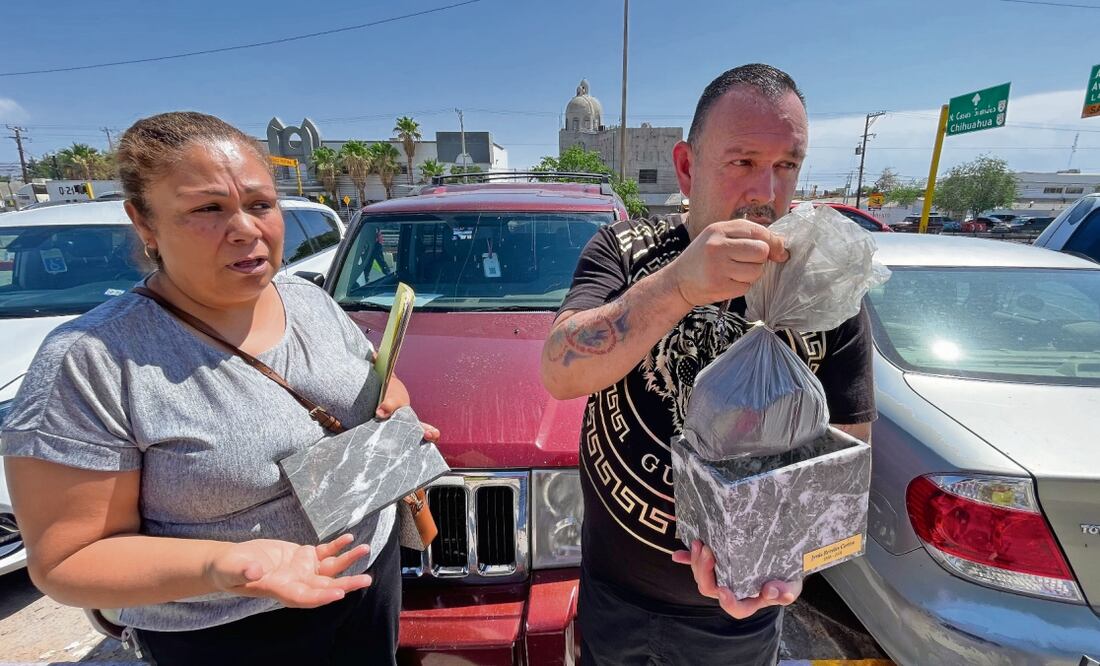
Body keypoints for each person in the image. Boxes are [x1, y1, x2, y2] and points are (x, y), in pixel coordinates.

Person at [0, 111, 438, 665]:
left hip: (367, 582)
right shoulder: (91, 362)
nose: (247, 229)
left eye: (260, 204)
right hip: (226, 631)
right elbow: (67, 561)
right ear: (144, 223)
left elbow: (369, 371)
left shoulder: (309, 300)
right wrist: (224, 567)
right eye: (208, 209)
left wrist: (389, 404)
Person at [540, 64, 875, 665]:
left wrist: (792, 569)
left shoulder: (823, 292)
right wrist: (679, 286)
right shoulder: (626, 251)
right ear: (688, 168)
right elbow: (561, 370)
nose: (766, 192)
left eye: (786, 165)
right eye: (743, 161)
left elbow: (843, 459)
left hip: (739, 622)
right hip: (614, 601)